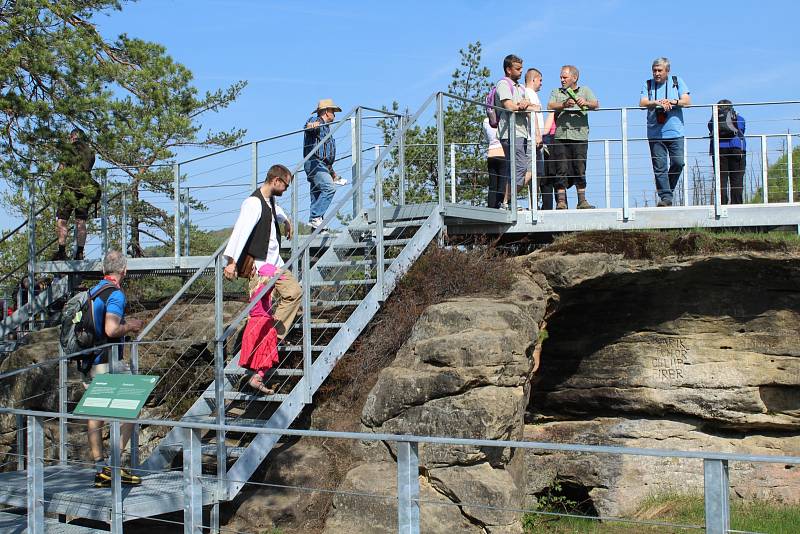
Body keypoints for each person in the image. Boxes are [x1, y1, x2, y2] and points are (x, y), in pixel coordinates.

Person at [84, 250, 144, 487]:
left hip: (92, 359)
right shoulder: (116, 294)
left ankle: (101, 468)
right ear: (124, 270)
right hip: (110, 360)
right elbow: (110, 329)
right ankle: (114, 464)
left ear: (103, 270)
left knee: (96, 413)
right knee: (132, 407)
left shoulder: (94, 290)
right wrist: (131, 325)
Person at [223, 164, 301, 341]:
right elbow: (240, 232)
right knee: (260, 311)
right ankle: (254, 353)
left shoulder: (270, 200)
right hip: (259, 268)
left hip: (276, 265)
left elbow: (277, 211)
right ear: (276, 181)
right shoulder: (252, 203)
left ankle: (272, 336)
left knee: (294, 293)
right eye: (286, 185)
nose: (286, 189)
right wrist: (232, 262)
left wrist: (286, 220)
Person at [639, 57, 691, 207]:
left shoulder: (677, 81)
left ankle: (667, 190)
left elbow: (687, 101)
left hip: (675, 131)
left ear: (667, 71)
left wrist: (672, 102)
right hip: (655, 133)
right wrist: (655, 103)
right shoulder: (648, 84)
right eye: (654, 70)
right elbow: (642, 103)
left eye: (659, 70)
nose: (656, 73)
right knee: (659, 167)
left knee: (678, 163)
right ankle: (666, 197)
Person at [548, 65, 598, 210]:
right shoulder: (556, 92)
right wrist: (563, 105)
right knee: (561, 168)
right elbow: (550, 105)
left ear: (574, 78)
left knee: (580, 168)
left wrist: (585, 102)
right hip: (561, 136)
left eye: (565, 77)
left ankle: (582, 201)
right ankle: (561, 201)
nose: (562, 80)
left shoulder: (585, 90)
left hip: (580, 136)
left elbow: (596, 104)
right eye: (561, 77)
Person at [53, 128, 99, 261]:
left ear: (72, 137)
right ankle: (80, 252)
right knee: (81, 221)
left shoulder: (68, 149)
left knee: (62, 219)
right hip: (85, 188)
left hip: (69, 187)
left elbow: (61, 169)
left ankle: (62, 251)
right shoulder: (90, 152)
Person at [494, 54, 532, 210]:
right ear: (508, 70)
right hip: (510, 132)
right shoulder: (503, 84)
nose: (521, 71)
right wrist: (522, 105)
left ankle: (507, 202)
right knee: (520, 167)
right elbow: (509, 106)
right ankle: (507, 203)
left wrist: (525, 104)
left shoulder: (520, 87)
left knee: (521, 168)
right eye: (518, 68)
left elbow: (532, 108)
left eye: (522, 68)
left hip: (521, 132)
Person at [304, 98, 347, 229]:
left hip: (321, 165)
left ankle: (317, 227)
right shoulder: (317, 121)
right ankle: (316, 217)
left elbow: (325, 156)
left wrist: (333, 174)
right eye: (333, 111)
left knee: (317, 196)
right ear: (326, 111)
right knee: (329, 188)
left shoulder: (327, 129)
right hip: (315, 164)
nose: (334, 114)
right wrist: (311, 126)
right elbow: (309, 125)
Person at [239, 263, 280, 394]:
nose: (277, 282)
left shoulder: (255, 290)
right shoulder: (264, 288)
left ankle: (258, 378)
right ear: (269, 278)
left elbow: (258, 309)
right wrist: (273, 280)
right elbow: (269, 285)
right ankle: (258, 377)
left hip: (254, 324)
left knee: (262, 353)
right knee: (268, 351)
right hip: (261, 326)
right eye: (275, 279)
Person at [708, 99, 746, 205]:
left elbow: (710, 128)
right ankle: (737, 205)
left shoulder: (714, 120)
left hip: (718, 150)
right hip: (737, 149)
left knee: (721, 180)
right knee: (737, 180)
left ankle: (722, 205)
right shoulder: (739, 118)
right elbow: (742, 131)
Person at [523, 68, 545, 204]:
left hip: (537, 139)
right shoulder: (528, 93)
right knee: (531, 171)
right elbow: (532, 115)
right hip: (532, 139)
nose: (541, 83)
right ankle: (509, 197)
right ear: (533, 80)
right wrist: (537, 135)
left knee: (537, 174)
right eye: (540, 80)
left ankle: (534, 204)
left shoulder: (533, 94)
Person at [483, 118, 506, 208]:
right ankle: (500, 204)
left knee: (492, 185)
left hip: (491, 153)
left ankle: (491, 207)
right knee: (502, 183)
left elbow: (486, 137)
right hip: (503, 152)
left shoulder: (485, 121)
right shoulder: (503, 119)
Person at [539, 113, 557, 210]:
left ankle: (547, 207)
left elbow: (545, 131)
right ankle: (561, 205)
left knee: (546, 180)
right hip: (558, 146)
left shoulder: (553, 113)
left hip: (550, 146)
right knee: (559, 180)